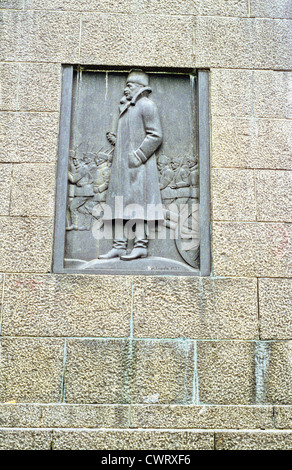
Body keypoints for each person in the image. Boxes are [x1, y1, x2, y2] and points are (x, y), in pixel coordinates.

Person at [99, 70, 163, 260]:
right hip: (121, 166)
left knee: (138, 206)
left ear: (139, 87)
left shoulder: (146, 105)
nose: (125, 89)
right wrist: (116, 141)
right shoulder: (125, 107)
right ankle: (119, 245)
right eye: (126, 85)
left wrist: (138, 155)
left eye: (129, 85)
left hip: (138, 166)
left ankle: (141, 245)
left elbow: (156, 135)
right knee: (118, 204)